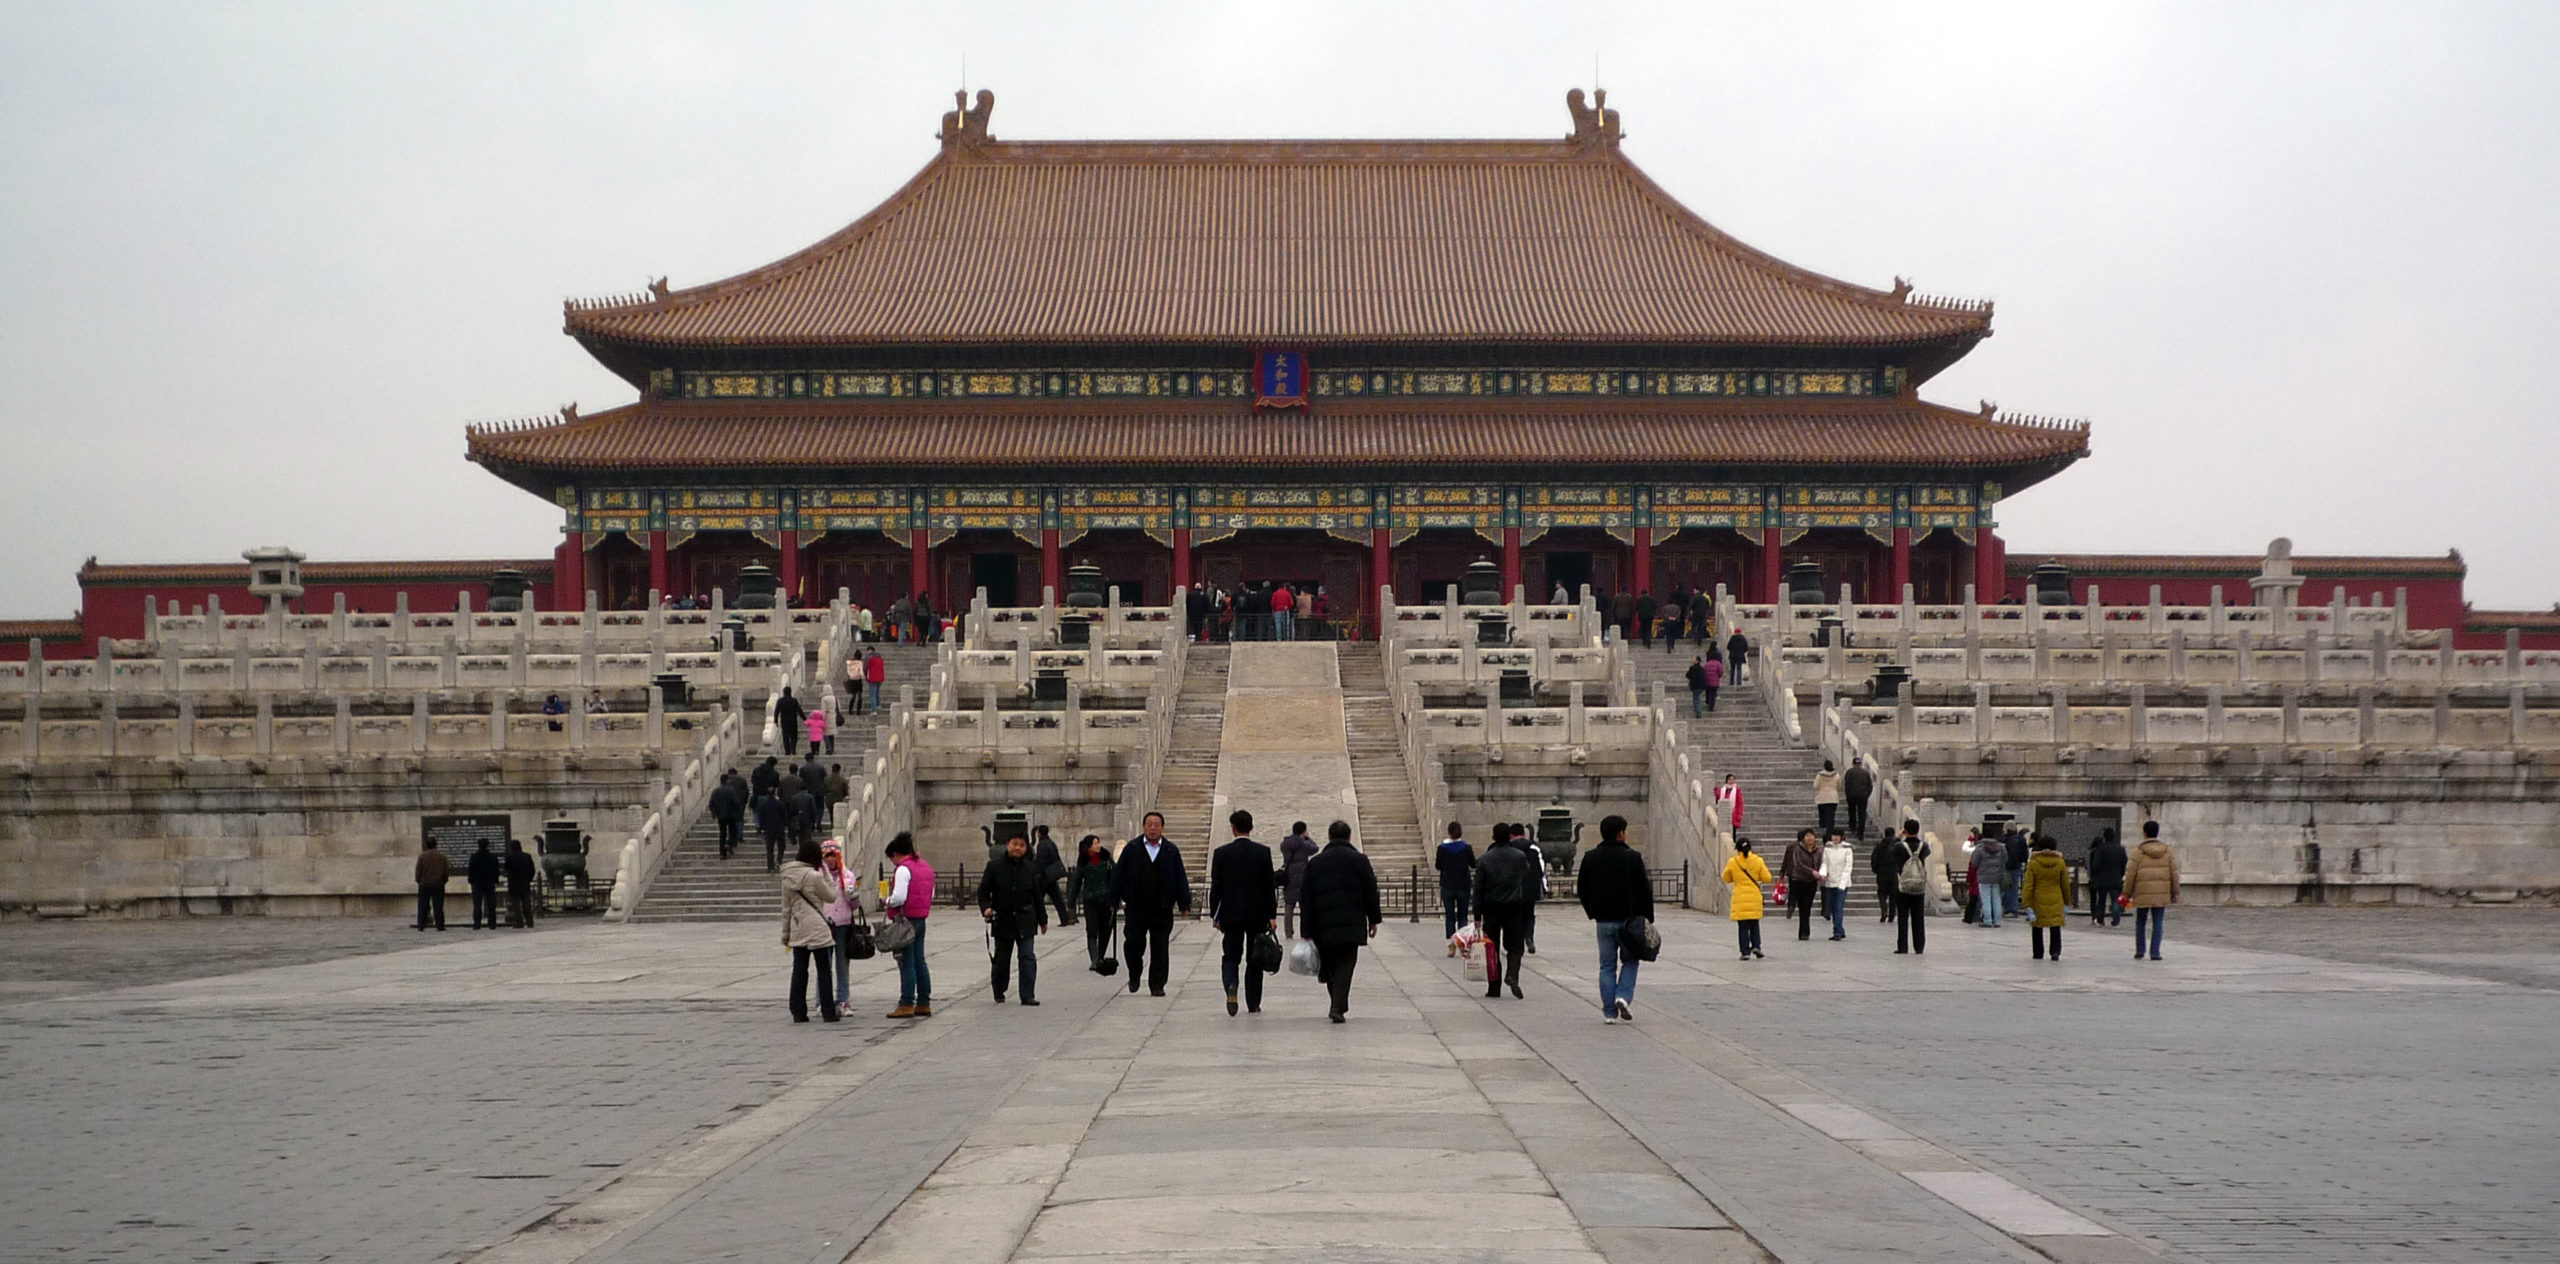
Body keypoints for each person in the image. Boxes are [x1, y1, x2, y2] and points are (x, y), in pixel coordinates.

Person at [1298, 820, 1380, 1023]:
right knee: (1346, 964)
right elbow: (1371, 892)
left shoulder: (1315, 863)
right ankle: (1337, 1005)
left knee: (1330, 966)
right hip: (1351, 922)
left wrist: (1306, 928)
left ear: (1329, 837)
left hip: (1322, 924)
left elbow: (1305, 898)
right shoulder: (1359, 860)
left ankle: (1337, 1003)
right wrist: (1374, 919)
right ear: (1349, 837)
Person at [1576, 814, 1651, 1024]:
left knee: (1606, 965)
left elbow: (1582, 888)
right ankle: (1623, 996)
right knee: (1630, 960)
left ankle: (1609, 1012)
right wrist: (1647, 918)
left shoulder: (1591, 856)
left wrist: (1592, 911)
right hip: (1628, 921)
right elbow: (1644, 890)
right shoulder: (1633, 857)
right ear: (1620, 833)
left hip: (1603, 920)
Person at [1115, 810, 1192, 997]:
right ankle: (1135, 973)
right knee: (1133, 943)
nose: (1152, 828)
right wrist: (1113, 899)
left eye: (1156, 825)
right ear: (1143, 827)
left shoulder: (1171, 850)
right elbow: (1118, 876)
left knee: (1160, 947)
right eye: (1149, 825)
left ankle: (1157, 984)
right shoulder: (1132, 849)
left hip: (1162, 907)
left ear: (1162, 828)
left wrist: (1184, 903)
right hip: (1136, 907)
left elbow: (1180, 876)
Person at [1208, 809, 1277, 1016]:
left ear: (1233, 829)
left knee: (1231, 955)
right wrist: (1272, 915)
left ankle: (1231, 984)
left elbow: (1216, 887)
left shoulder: (1221, 853)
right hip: (1257, 914)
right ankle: (1253, 1002)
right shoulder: (1262, 852)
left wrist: (1215, 915)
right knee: (1254, 958)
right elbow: (1268, 886)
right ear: (1252, 828)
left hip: (1231, 914)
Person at [978, 830, 1048, 1006]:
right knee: (1002, 959)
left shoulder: (1030, 868)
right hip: (1003, 919)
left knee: (1027, 957)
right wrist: (986, 908)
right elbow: (983, 891)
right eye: (1015, 844)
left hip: (1026, 919)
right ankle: (999, 989)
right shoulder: (994, 866)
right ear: (1008, 845)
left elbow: (1037, 896)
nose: (1018, 848)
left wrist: (1043, 919)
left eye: (1022, 845)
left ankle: (1027, 994)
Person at [778, 839, 841, 1022]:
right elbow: (831, 896)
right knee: (824, 970)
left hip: (798, 927)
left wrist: (785, 934)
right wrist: (827, 873)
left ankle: (798, 1011)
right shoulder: (814, 876)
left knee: (799, 970)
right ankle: (828, 1011)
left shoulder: (787, 877)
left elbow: (786, 909)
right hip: (817, 927)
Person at [1473, 825, 1537, 999]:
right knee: (1515, 946)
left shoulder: (1485, 859)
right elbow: (1525, 872)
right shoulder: (1519, 856)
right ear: (1510, 837)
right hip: (1514, 906)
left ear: (1493, 837)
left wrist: (1477, 914)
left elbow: (1478, 889)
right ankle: (1512, 974)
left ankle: (1494, 987)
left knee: (1491, 948)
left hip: (1491, 908)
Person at [881, 832, 935, 1017]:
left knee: (906, 962)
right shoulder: (925, 867)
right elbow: (931, 894)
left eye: (893, 859)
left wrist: (887, 901)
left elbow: (899, 897)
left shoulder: (904, 869)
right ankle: (924, 1002)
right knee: (920, 960)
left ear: (896, 854)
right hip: (921, 918)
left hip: (905, 921)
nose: (893, 863)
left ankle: (906, 1002)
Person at [2124, 821, 2179, 961]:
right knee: (2158, 922)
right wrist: (2175, 892)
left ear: (2145, 833)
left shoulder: (2138, 852)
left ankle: (2140, 950)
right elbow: (2174, 873)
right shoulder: (2168, 851)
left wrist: (2126, 894)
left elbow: (2130, 874)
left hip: (2142, 892)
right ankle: (2155, 952)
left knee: (2141, 921)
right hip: (2162, 892)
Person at [818, 840, 860, 1009]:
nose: (830, 860)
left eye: (833, 856)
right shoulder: (818, 876)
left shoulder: (847, 875)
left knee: (842, 964)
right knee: (824, 965)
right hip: (824, 923)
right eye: (827, 857)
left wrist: (854, 896)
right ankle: (822, 1000)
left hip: (843, 923)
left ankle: (843, 999)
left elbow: (855, 905)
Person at [1068, 834, 1117, 973]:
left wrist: (1117, 898)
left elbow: (1115, 878)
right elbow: (1076, 881)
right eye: (1095, 843)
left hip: (1106, 900)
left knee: (1105, 929)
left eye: (1099, 843)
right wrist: (1071, 902)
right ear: (1088, 847)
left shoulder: (1106, 859)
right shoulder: (1083, 862)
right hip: (1090, 901)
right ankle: (1094, 959)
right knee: (1092, 929)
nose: (1098, 846)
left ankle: (1100, 955)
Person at [2022, 834, 2073, 961]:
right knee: (2055, 926)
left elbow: (2029, 885)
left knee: (2037, 926)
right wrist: (2067, 901)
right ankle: (2055, 951)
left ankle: (2038, 952)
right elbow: (2065, 884)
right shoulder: (2060, 862)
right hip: (2056, 897)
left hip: (2038, 898)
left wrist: (2026, 903)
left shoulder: (2034, 863)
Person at [1885, 819, 1931, 955]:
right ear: (1918, 830)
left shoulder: (1899, 847)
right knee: (1918, 917)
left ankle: (1903, 946)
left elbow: (1889, 852)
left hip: (1903, 884)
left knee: (1903, 917)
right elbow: (1927, 854)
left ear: (1905, 830)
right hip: (1919, 885)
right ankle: (1919, 946)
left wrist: (1897, 837)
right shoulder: (1924, 846)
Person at [1722, 838, 1771, 961]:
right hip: (1754, 896)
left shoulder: (1733, 862)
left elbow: (1726, 878)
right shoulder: (1758, 861)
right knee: (1754, 924)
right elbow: (1767, 878)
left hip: (1740, 897)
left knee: (1743, 926)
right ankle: (1756, 946)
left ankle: (1745, 951)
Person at [1434, 820, 1477, 948]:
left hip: (1447, 885)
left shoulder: (1442, 848)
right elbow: (1473, 864)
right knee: (1463, 915)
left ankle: (1451, 944)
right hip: (1463, 885)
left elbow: (1438, 866)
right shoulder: (1467, 848)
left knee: (1450, 915)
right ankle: (1462, 942)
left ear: (1449, 833)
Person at [1782, 827, 1824, 941]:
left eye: (1811, 836)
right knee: (1802, 906)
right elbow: (1798, 864)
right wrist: (1812, 871)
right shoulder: (1798, 849)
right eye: (1807, 836)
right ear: (1803, 838)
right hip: (1799, 880)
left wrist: (1821, 873)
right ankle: (1803, 932)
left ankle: (1805, 931)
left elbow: (1821, 863)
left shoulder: (1818, 850)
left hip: (1811, 882)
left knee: (1807, 906)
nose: (1810, 838)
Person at [1279, 821, 1318, 938]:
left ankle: (1288, 932)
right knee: (1304, 906)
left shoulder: (1285, 843)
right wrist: (1307, 838)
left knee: (1289, 905)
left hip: (1289, 875)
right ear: (1303, 831)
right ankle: (1304, 931)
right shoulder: (1304, 844)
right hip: (1303, 875)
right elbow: (1315, 848)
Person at [1032, 824, 1073, 926]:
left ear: (1039, 833)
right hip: (1052, 875)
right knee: (1057, 899)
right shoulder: (1051, 843)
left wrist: (1037, 872)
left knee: (1038, 899)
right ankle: (1064, 918)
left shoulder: (1041, 845)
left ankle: (1034, 919)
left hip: (1045, 876)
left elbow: (1041, 861)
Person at [2085, 828, 2127, 926]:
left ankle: (2101, 919)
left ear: (2105, 837)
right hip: (2115, 878)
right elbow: (2124, 863)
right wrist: (2121, 874)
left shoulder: (2101, 849)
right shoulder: (2120, 849)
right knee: (2115, 900)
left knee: (2101, 900)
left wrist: (2095, 875)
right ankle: (2116, 919)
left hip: (2102, 879)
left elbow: (2096, 864)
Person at [1819, 828, 1855, 940]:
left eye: (1837, 836)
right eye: (1833, 835)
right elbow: (1825, 863)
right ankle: (1840, 929)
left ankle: (1837, 932)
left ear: (1841, 837)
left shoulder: (1847, 849)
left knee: (1838, 907)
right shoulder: (1828, 848)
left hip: (1842, 882)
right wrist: (1823, 874)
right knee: (1833, 907)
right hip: (1830, 882)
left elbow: (1848, 867)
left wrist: (1842, 884)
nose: (1835, 838)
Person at [1968, 833, 2004, 929]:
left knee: (1986, 899)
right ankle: (1997, 921)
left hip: (1983, 876)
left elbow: (1974, 863)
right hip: (1996, 876)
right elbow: (2005, 859)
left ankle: (1987, 920)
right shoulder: (2000, 847)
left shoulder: (1980, 848)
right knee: (1996, 898)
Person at [414, 838, 449, 931]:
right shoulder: (442, 857)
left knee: (422, 905)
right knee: (438, 906)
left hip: (424, 884)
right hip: (438, 884)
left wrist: (419, 881)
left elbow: (418, 870)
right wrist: (444, 881)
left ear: (426, 845)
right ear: (436, 845)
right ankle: (440, 925)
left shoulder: (422, 856)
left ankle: (421, 925)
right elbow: (445, 872)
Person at [466, 839, 501, 929]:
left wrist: (471, 880)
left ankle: (477, 924)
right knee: (491, 904)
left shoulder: (474, 857)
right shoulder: (492, 857)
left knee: (477, 904)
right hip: (489, 882)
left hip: (477, 883)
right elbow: (496, 870)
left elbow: (470, 870)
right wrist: (495, 880)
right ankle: (492, 923)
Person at [709, 770, 744, 859]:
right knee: (733, 831)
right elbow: (736, 802)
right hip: (730, 814)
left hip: (721, 815)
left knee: (722, 834)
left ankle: (722, 853)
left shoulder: (715, 791)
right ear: (727, 780)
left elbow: (711, 803)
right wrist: (738, 811)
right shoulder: (731, 790)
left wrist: (714, 813)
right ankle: (729, 844)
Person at [503, 838, 537, 928]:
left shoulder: (509, 857)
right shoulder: (527, 856)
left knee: (516, 905)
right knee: (526, 903)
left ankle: (519, 922)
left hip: (514, 883)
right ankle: (530, 921)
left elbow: (506, 869)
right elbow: (532, 870)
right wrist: (529, 879)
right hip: (525, 883)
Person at [754, 787, 789, 871]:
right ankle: (779, 861)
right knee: (781, 846)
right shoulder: (779, 804)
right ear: (774, 794)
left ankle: (770, 866)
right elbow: (784, 816)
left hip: (769, 829)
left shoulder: (764, 805)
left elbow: (761, 817)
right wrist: (785, 824)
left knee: (769, 848)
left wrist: (762, 827)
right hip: (779, 828)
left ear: (767, 794)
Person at [1870, 831, 1899, 922]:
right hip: (1893, 873)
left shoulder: (1879, 846)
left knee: (1882, 894)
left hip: (1881, 874)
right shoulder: (1896, 846)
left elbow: (1873, 859)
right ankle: (1892, 915)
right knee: (1893, 896)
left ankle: (1884, 910)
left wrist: (1875, 870)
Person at [1842, 757, 1874, 838]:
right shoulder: (1866, 773)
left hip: (1852, 795)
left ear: (1853, 764)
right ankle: (1860, 832)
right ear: (1860, 764)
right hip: (1863, 796)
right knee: (1862, 814)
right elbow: (1870, 786)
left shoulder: (1849, 772)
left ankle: (1853, 827)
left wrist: (1847, 794)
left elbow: (1847, 784)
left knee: (1852, 811)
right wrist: (1867, 794)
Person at [2003, 826, 2029, 919]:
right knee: (2011, 888)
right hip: (2016, 866)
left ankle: (2011, 910)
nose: (2003, 830)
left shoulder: (2012, 841)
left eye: (2005, 828)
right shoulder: (2017, 839)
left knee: (2011, 889)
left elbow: (2012, 856)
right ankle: (2009, 909)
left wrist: (2007, 865)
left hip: (2011, 867)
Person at [1812, 761, 1842, 837]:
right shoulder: (1837, 775)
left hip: (1822, 797)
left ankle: (1823, 827)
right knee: (1831, 815)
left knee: (1823, 814)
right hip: (1833, 798)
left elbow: (1816, 786)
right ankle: (1830, 830)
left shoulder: (1820, 775)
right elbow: (1839, 786)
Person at [774, 686, 805, 755]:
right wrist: (804, 719)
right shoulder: (794, 700)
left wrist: (775, 721)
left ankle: (787, 751)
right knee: (794, 736)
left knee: (785, 736)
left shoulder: (780, 701)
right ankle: (793, 749)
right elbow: (799, 710)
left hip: (784, 721)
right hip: (793, 720)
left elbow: (776, 711)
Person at [824, 763, 850, 833]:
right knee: (837, 815)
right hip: (838, 799)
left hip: (829, 799)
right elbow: (845, 791)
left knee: (831, 813)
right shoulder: (842, 779)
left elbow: (823, 789)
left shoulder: (826, 779)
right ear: (839, 770)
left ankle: (832, 825)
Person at [865, 647, 887, 714]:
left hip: (873, 678)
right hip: (880, 678)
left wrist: (866, 676)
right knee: (877, 692)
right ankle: (878, 705)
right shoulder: (880, 659)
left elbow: (865, 668)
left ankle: (874, 710)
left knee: (872, 694)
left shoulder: (869, 659)